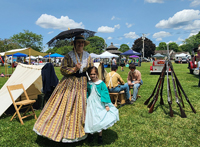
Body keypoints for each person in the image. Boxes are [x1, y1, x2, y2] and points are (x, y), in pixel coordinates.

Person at [33, 35, 94, 143]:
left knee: (81, 106)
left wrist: (94, 78)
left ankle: (83, 130)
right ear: (74, 44)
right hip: (70, 84)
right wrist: (74, 68)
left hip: (83, 84)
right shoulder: (68, 56)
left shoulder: (88, 56)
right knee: (66, 106)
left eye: (82, 42)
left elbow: (91, 68)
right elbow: (62, 70)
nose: (81, 44)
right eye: (78, 42)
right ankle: (62, 131)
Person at [85, 66, 119, 144]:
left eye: (94, 74)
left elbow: (105, 93)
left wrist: (106, 104)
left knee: (99, 117)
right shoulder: (89, 83)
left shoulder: (101, 83)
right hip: (91, 103)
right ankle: (91, 133)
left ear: (97, 73)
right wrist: (86, 100)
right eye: (91, 74)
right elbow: (87, 92)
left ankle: (100, 135)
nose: (92, 76)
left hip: (99, 102)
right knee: (91, 117)